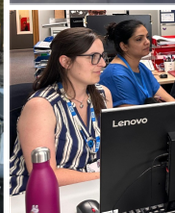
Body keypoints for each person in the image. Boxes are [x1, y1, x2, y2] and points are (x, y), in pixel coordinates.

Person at [8, 28, 112, 196]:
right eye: (93, 57)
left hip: (88, 187)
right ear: (66, 62)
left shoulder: (103, 94)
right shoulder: (41, 106)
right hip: (36, 196)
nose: (102, 64)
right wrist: (105, 176)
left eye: (102, 56)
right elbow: (44, 175)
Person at [99, 20, 175, 107]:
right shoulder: (117, 75)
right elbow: (134, 117)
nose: (147, 42)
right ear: (124, 46)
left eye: (147, 37)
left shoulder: (141, 67)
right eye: (139, 39)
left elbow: (171, 101)